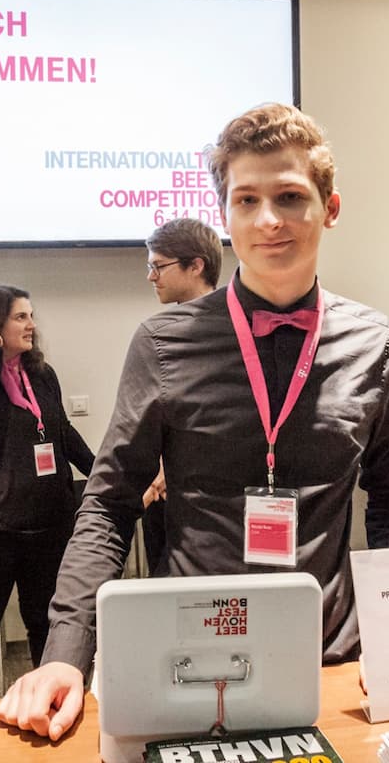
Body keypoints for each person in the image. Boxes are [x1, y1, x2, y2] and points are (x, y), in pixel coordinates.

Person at [0, 103, 389, 740]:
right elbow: (110, 504)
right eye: (246, 200)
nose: (268, 220)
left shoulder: (373, 342)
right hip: (194, 664)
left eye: (289, 196)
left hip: (333, 665)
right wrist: (66, 654)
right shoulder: (166, 344)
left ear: (329, 208)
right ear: (225, 215)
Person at [0, 285, 95, 702]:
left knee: (47, 631)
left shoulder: (42, 375)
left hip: (47, 530)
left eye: (31, 315)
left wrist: (102, 475)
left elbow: (63, 434)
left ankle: (51, 709)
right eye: (20, 317)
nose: (32, 325)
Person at [140, 217, 223, 576]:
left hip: (205, 506)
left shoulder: (230, 334)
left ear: (196, 266)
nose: (151, 276)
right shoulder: (165, 334)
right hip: (164, 495)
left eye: (158, 266)